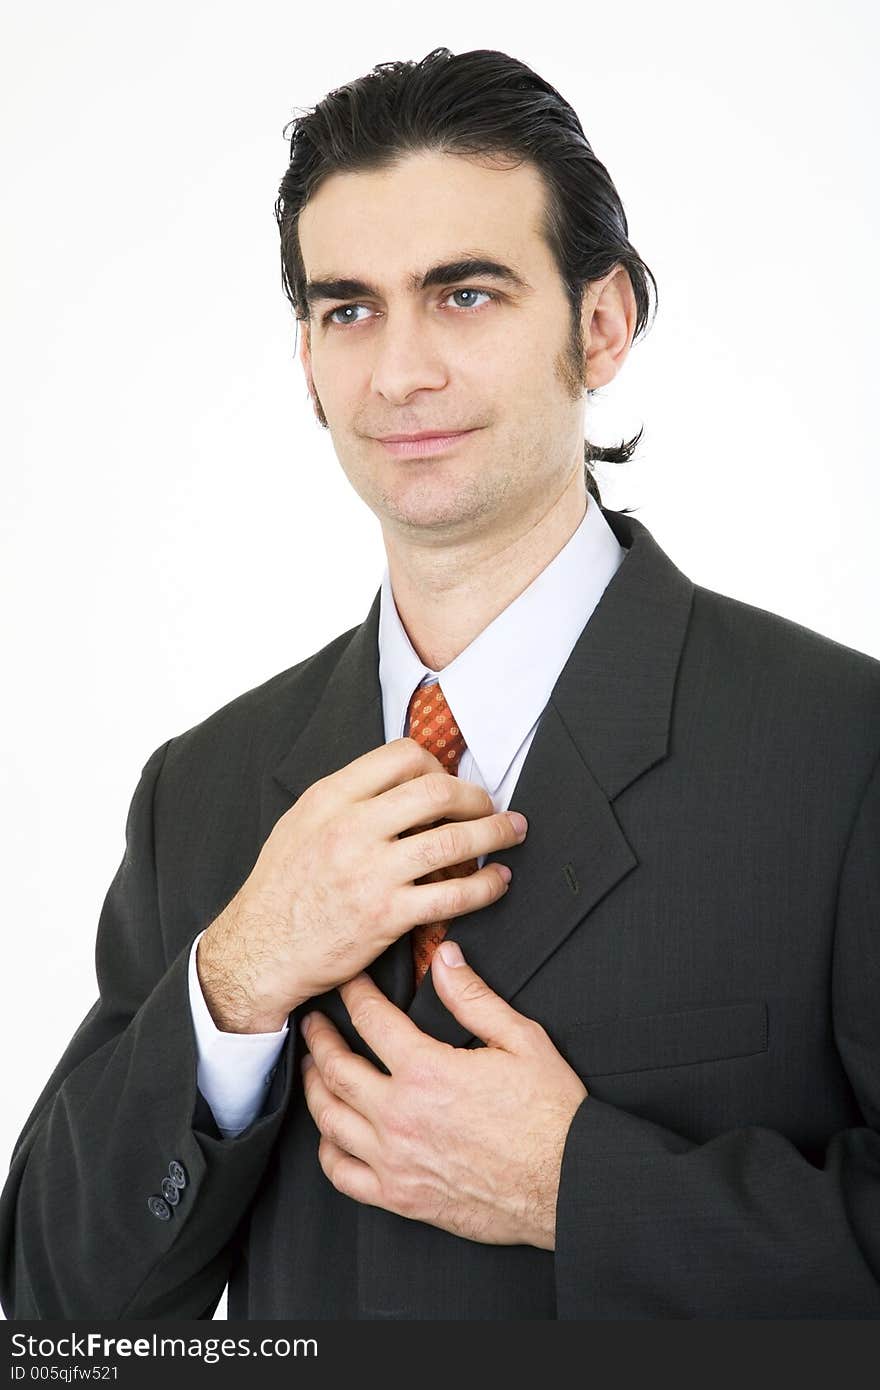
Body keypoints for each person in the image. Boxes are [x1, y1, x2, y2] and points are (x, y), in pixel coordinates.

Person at [1, 45, 878, 1322]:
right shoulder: (199, 790)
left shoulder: (843, 756)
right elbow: (55, 1311)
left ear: (601, 321)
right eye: (348, 309)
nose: (399, 371)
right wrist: (235, 979)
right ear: (305, 358)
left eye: (464, 295)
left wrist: (576, 1190)